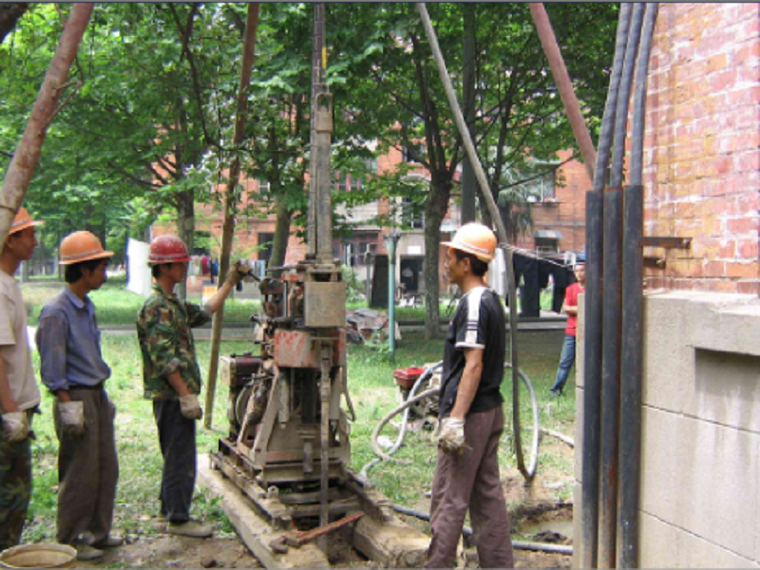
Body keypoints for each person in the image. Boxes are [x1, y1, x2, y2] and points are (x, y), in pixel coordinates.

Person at [136, 235, 250, 538]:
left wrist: (229, 282)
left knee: (176, 453)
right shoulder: (157, 307)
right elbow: (164, 357)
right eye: (181, 263)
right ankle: (178, 518)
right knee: (180, 456)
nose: (185, 267)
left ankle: (169, 509)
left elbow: (205, 311)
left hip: (176, 396)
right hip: (172, 397)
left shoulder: (172, 304)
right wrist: (186, 396)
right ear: (166, 267)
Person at [427, 222, 514, 568]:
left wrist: (456, 420)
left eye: (450, 257)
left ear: (467, 263)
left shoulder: (475, 303)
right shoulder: (491, 299)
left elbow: (474, 366)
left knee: (449, 496)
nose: (445, 263)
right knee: (486, 497)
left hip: (472, 416)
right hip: (490, 410)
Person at [36, 231, 120, 561]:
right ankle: (71, 536)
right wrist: (66, 405)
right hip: (75, 397)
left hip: (96, 394)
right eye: (100, 266)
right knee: (79, 471)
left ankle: (99, 532)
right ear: (83, 270)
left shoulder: (87, 306)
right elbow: (53, 362)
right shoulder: (57, 311)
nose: (104, 272)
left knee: (105, 467)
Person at [0, 207, 43, 551]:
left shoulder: (10, 283)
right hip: (6, 417)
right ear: (10, 239)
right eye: (28, 233)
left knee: (17, 501)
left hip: (16, 412)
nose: (35, 241)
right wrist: (12, 410)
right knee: (8, 503)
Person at [549, 259, 586, 396]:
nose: (579, 273)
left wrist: (575, 309)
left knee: (588, 363)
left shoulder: (593, 289)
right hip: (571, 332)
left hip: (588, 332)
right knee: (565, 362)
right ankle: (556, 390)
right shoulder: (571, 289)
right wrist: (582, 308)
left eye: (582, 270)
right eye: (577, 271)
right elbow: (566, 308)